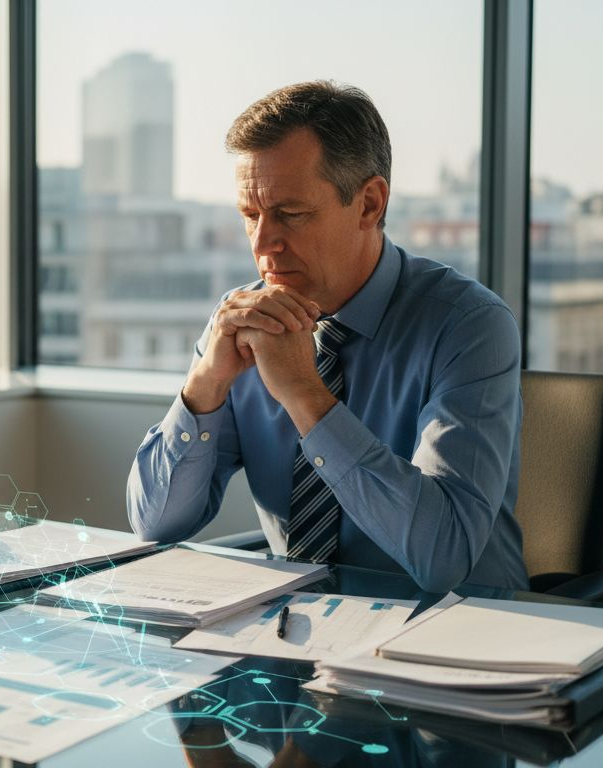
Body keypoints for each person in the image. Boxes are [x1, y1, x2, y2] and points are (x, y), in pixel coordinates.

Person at [126, 80, 527, 593]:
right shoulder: (242, 321)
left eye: (291, 214)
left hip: (459, 626)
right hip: (296, 625)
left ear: (369, 204)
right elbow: (155, 524)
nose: (263, 243)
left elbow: (443, 556)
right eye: (250, 216)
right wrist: (204, 386)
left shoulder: (469, 325)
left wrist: (305, 396)